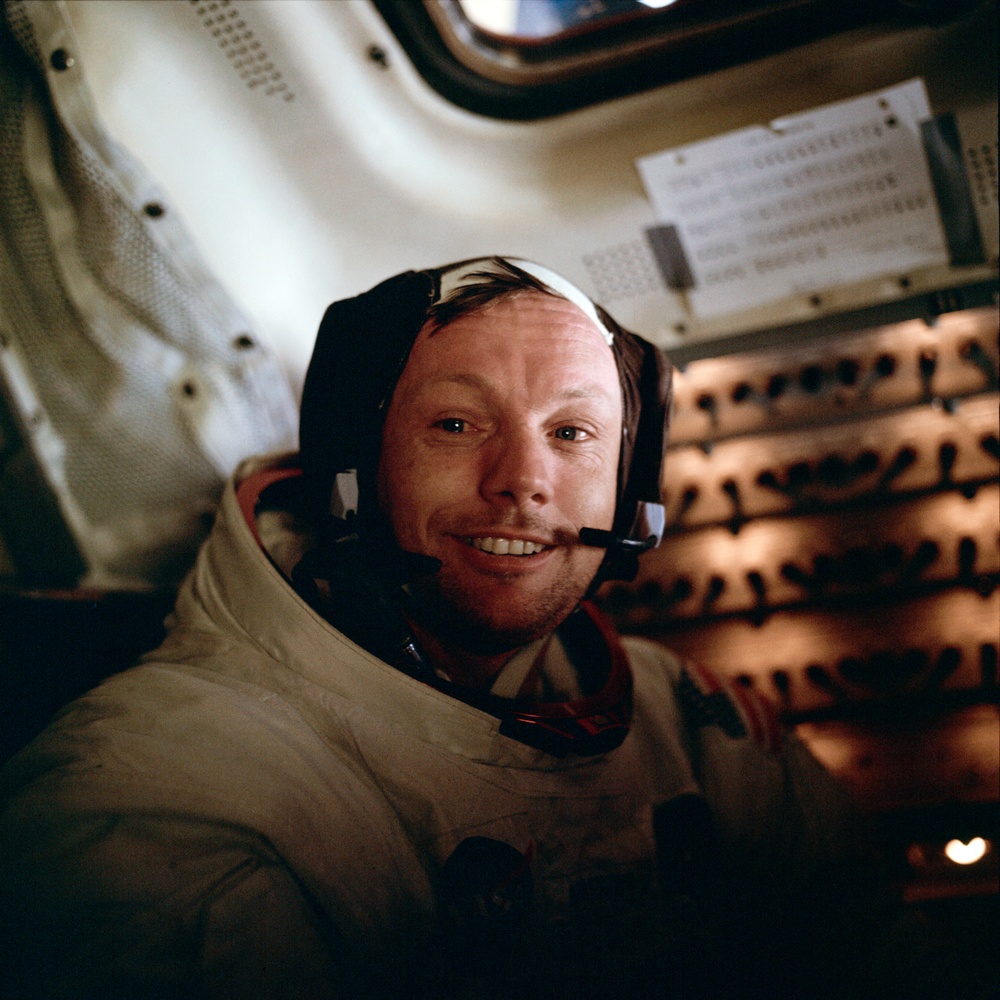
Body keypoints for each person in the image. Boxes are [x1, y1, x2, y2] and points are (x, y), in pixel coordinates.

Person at [1, 258, 870, 999]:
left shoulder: (686, 723)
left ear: (630, 494)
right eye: (457, 424)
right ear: (352, 468)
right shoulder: (158, 800)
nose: (523, 482)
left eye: (572, 433)